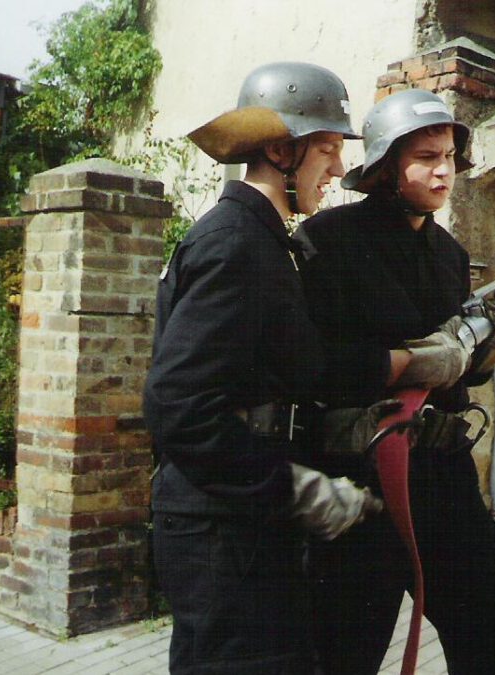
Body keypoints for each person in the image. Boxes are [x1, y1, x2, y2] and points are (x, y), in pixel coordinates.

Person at [143, 62, 384, 675]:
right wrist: (294, 488)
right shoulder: (234, 243)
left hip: (247, 523)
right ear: (282, 150)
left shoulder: (269, 242)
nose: (337, 168)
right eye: (327, 148)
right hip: (223, 532)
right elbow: (181, 410)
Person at [295, 89, 495, 675]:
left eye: (449, 155)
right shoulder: (328, 240)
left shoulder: (450, 254)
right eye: (426, 156)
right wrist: (402, 361)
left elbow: (453, 371)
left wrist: (484, 348)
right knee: (342, 656)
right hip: (360, 481)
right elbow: (308, 361)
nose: (444, 170)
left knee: (494, 639)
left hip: (443, 477)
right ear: (385, 164)